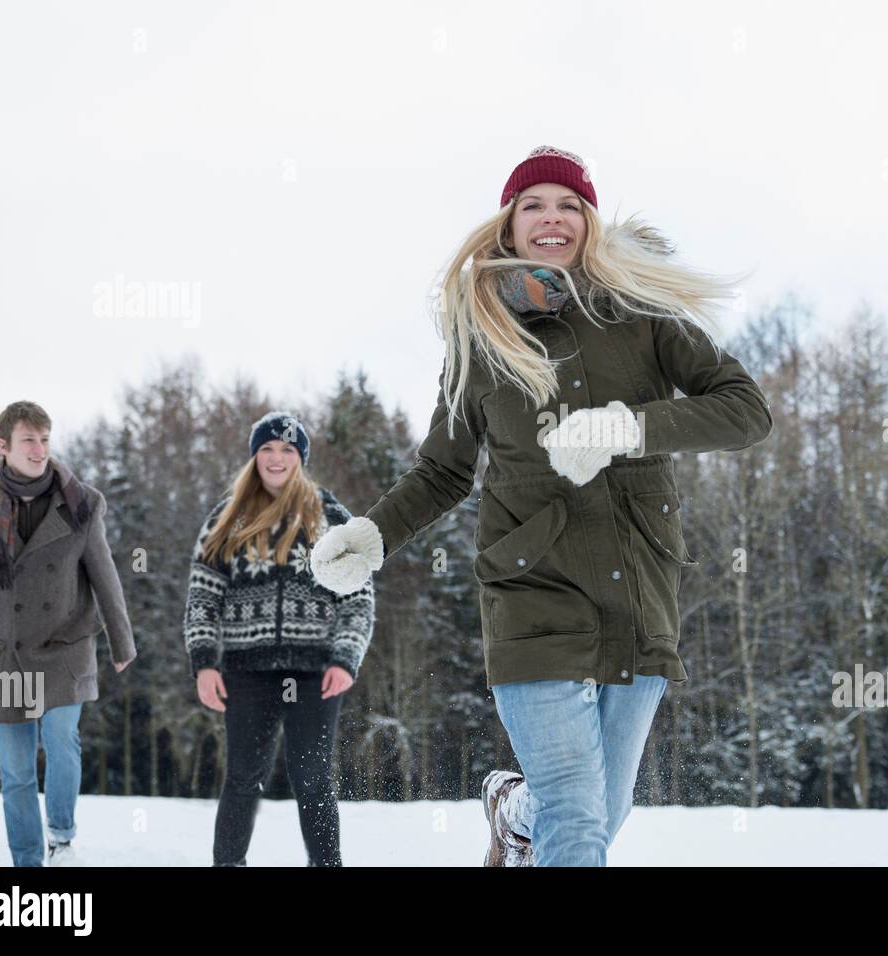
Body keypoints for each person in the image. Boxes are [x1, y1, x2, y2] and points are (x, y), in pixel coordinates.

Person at [310, 145, 774, 866]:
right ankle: (535, 812)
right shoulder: (481, 335)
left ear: (588, 220)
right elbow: (443, 470)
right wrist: (374, 536)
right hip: (531, 588)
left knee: (603, 806)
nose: (551, 219)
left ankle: (511, 810)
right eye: (533, 205)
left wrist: (630, 428)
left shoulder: (643, 313)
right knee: (578, 815)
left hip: (637, 588)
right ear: (509, 223)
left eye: (567, 205)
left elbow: (746, 412)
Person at [0, 400, 136, 866]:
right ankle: (27, 864)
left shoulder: (81, 503)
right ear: (3, 445)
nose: (40, 449)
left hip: (64, 648)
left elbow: (104, 574)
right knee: (16, 773)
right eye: (30, 439)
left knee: (62, 742)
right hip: (2, 655)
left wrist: (121, 640)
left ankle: (62, 837)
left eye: (45, 439)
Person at [183, 411, 374, 866]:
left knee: (312, 778)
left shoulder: (330, 516)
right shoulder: (225, 518)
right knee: (244, 777)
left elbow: (359, 595)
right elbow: (201, 597)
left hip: (315, 673)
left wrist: (345, 658)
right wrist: (205, 662)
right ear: (254, 456)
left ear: (300, 458)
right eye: (267, 448)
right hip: (247, 672)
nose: (276, 457)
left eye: (287, 449)